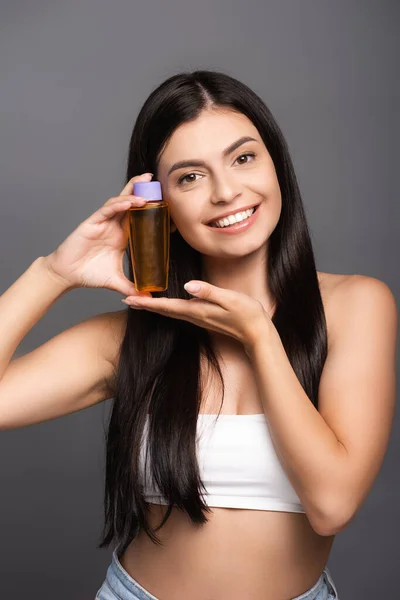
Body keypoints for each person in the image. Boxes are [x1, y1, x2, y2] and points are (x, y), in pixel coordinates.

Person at [0, 70, 397, 600]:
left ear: (276, 162)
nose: (227, 191)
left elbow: (331, 505)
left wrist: (259, 337)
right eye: (190, 177)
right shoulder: (135, 337)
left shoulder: (356, 305)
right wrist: (52, 272)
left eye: (243, 158)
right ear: (158, 205)